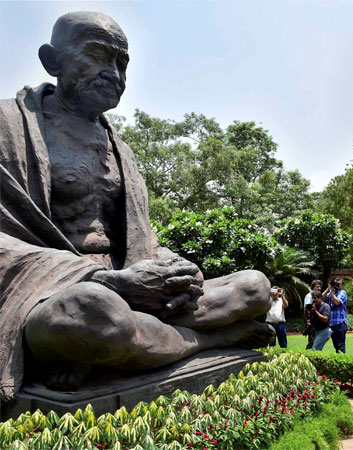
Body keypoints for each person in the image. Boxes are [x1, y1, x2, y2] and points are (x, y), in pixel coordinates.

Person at [0, 12, 274, 399]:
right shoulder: (7, 128)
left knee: (254, 287)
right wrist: (106, 281)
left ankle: (124, 347)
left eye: (122, 62)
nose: (114, 73)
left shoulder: (121, 150)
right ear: (52, 60)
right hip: (56, 295)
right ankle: (210, 340)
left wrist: (175, 269)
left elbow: (137, 240)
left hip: (138, 292)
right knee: (90, 314)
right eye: (97, 54)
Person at [323, 277, 348, 353]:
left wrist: (331, 292)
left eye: (339, 283)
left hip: (340, 323)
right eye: (336, 283)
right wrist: (329, 288)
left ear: (342, 285)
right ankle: (338, 358)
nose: (337, 285)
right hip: (332, 323)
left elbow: (337, 302)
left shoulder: (342, 292)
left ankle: (342, 359)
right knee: (336, 346)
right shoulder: (331, 293)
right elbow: (321, 298)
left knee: (340, 345)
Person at [303, 279, 322, 349]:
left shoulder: (318, 296)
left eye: (320, 287)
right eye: (317, 287)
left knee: (316, 340)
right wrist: (308, 320)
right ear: (313, 287)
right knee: (312, 341)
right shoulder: (309, 296)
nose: (319, 288)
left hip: (316, 321)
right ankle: (307, 354)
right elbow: (307, 307)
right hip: (311, 321)